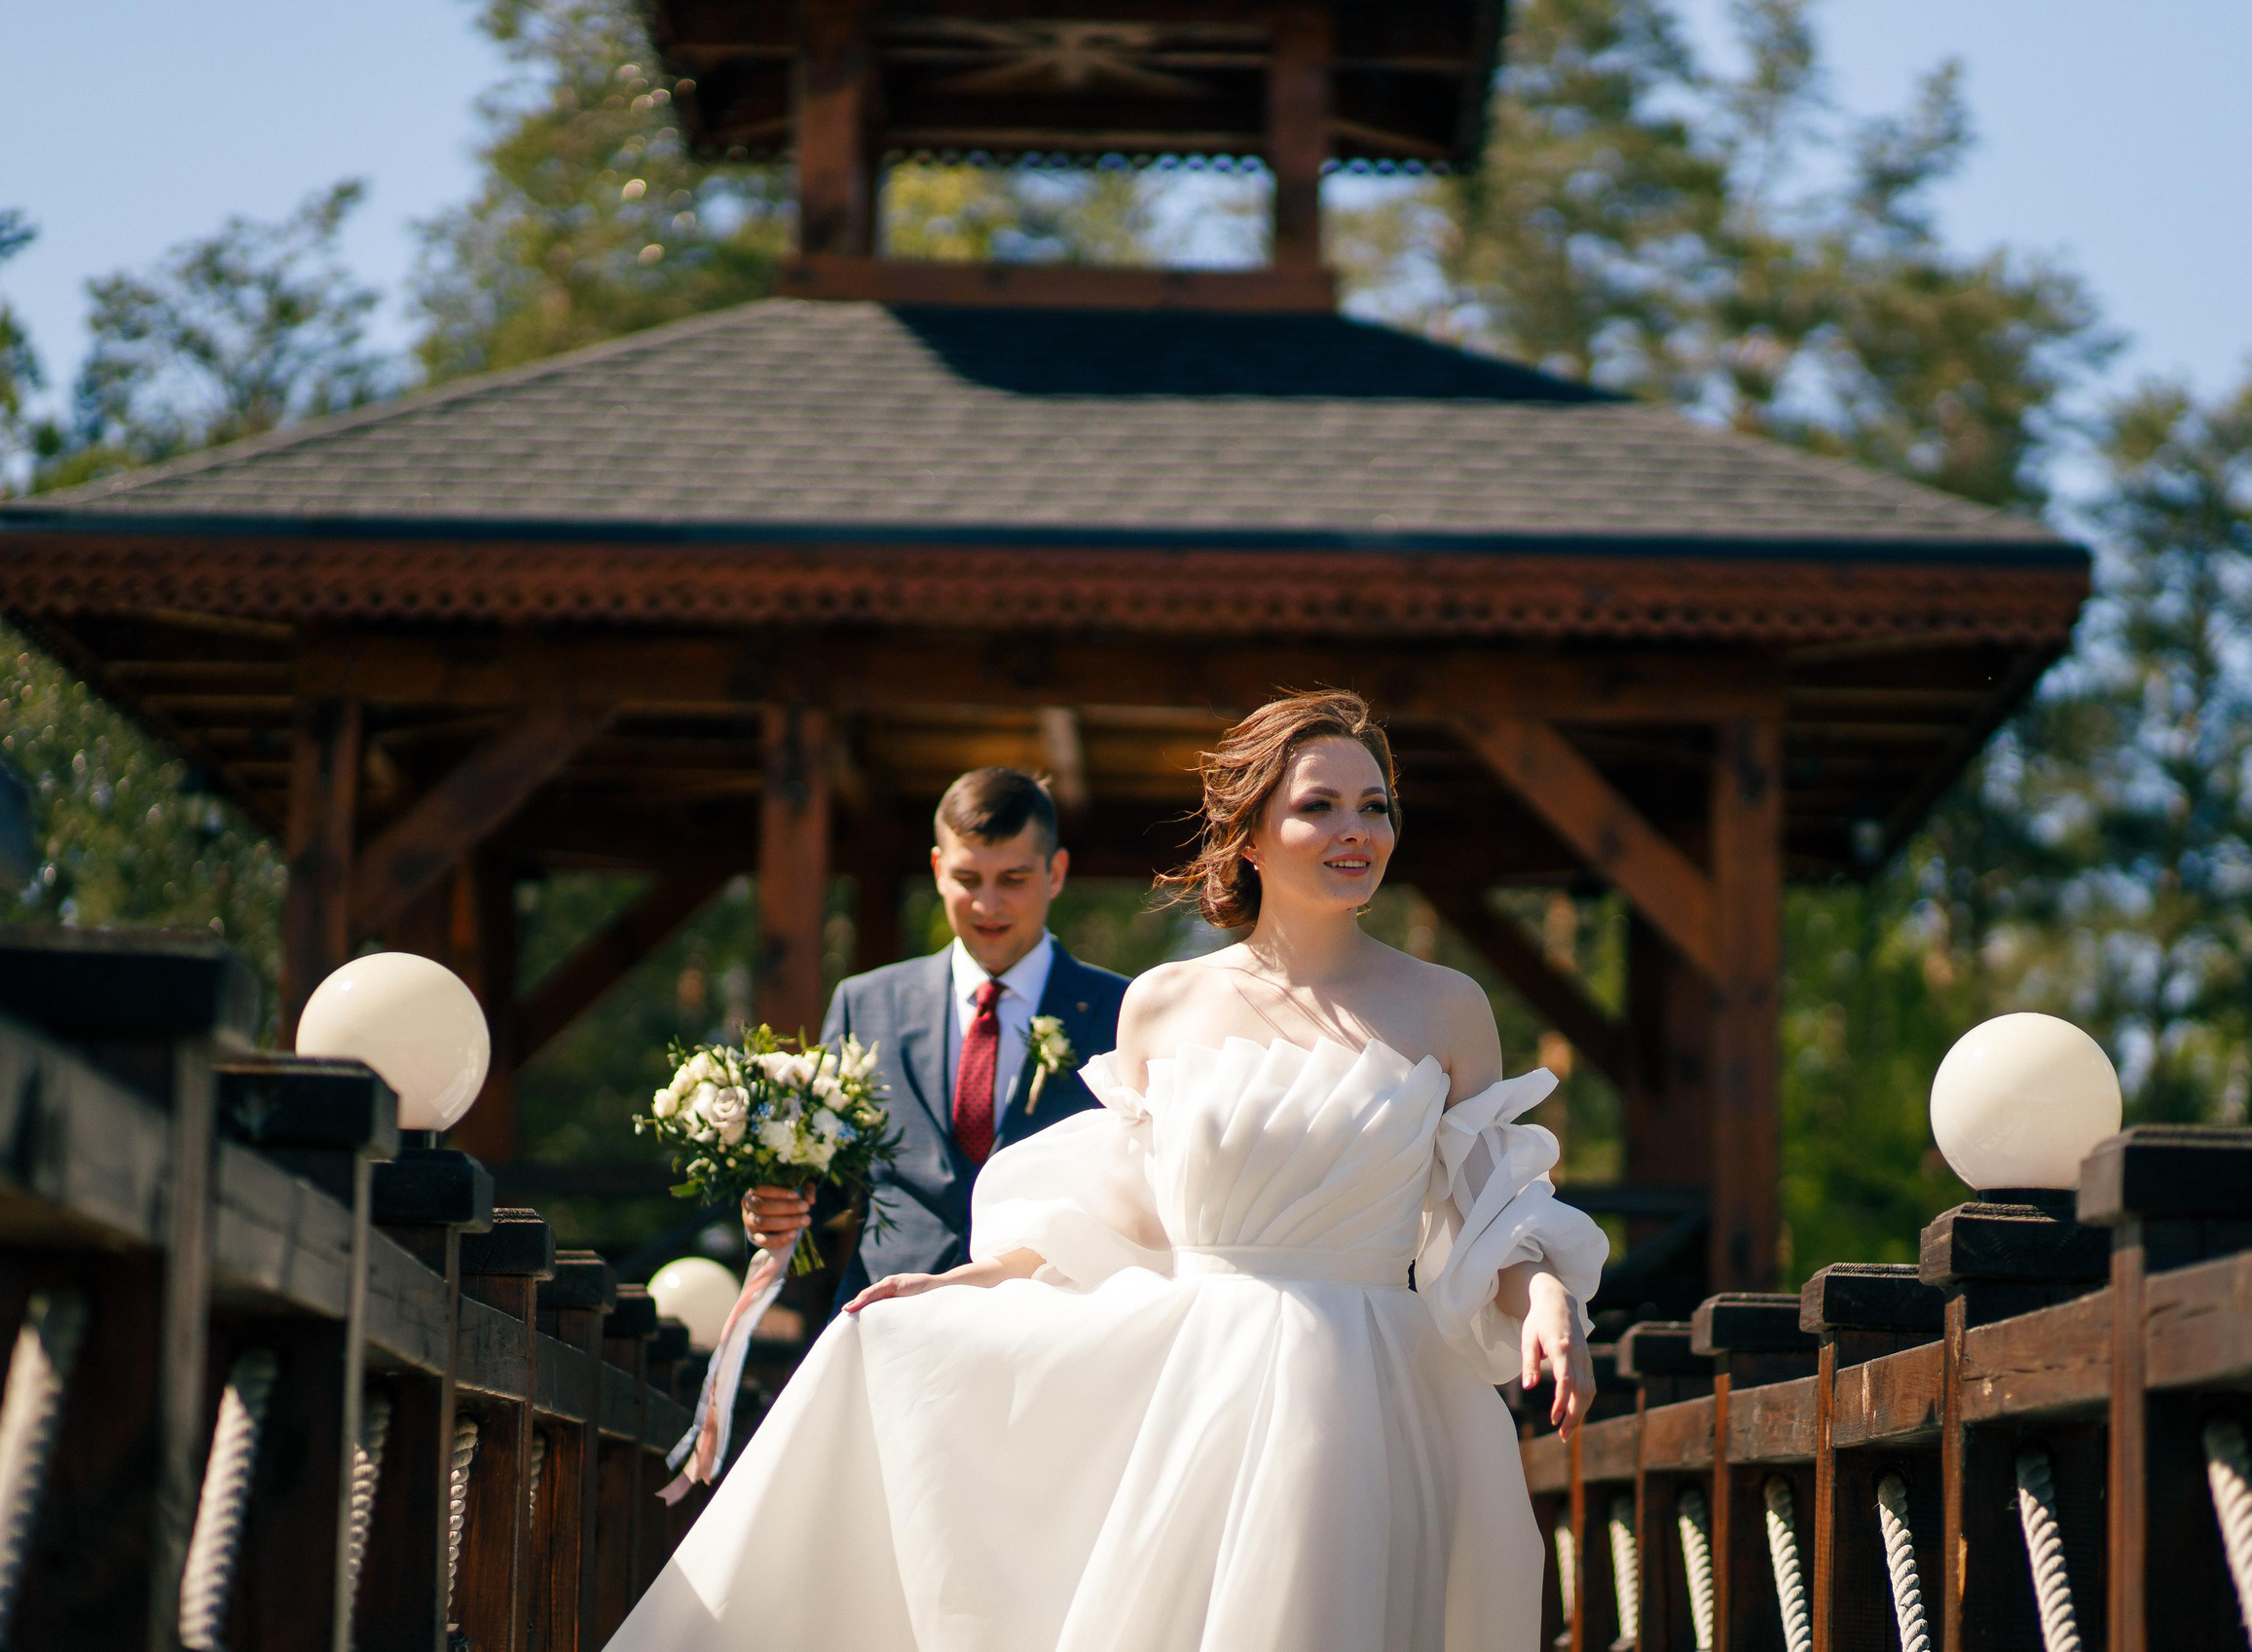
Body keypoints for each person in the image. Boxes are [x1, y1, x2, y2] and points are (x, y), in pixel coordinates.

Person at [616, 691, 1606, 1652]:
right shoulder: (1163, 1004)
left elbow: (1490, 1208)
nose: (1357, 831)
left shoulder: (1446, 1006)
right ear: (1250, 835)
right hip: (1198, 1395)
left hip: (1377, 1398)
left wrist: (1547, 1295)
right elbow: (1124, 1205)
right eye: (1319, 805)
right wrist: (972, 1280)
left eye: (1374, 805)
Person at [742, 766, 1127, 1305]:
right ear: (937, 868)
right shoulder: (866, 1004)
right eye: (968, 878)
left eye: (1013, 879)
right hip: (889, 1312)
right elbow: (822, 1179)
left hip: (1054, 1317)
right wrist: (773, 1205)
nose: (987, 904)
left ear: (1056, 873)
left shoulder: (1120, 1011)